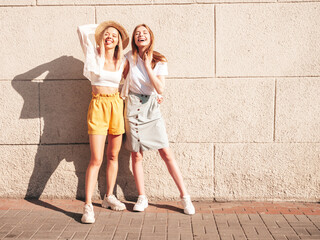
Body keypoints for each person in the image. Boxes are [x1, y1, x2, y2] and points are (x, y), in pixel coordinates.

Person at [121, 24, 195, 215]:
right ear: (134, 39)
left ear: (150, 37)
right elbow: (120, 77)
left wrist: (147, 66)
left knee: (166, 153)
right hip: (133, 107)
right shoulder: (128, 57)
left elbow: (160, 88)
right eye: (137, 33)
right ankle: (142, 197)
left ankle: (185, 197)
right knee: (136, 154)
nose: (140, 35)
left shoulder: (159, 59)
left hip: (151, 109)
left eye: (144, 33)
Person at [77, 21, 129, 224]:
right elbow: (81, 30)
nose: (110, 37)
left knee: (113, 155)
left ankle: (109, 196)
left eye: (114, 35)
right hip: (98, 106)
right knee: (96, 158)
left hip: (116, 106)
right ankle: (88, 206)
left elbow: (131, 81)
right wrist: (103, 26)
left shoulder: (123, 61)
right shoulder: (94, 55)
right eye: (107, 34)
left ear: (118, 42)